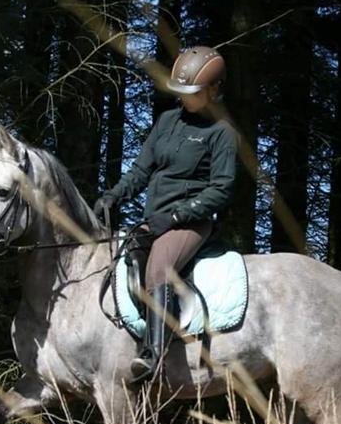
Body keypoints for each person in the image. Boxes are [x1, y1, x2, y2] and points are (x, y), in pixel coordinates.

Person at [93, 46, 239, 383]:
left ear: (214, 89)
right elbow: (142, 170)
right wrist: (114, 195)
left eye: (194, 93)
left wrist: (175, 218)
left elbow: (221, 189)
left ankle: (153, 356)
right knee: (127, 253)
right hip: (155, 218)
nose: (185, 99)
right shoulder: (167, 121)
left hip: (192, 222)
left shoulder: (222, 133)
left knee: (159, 267)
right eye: (182, 92)